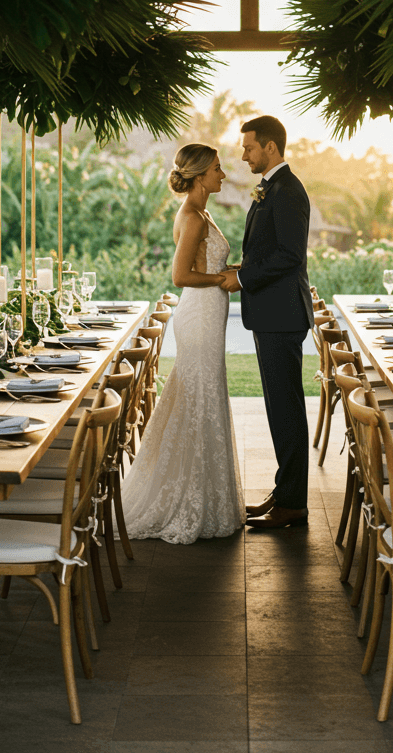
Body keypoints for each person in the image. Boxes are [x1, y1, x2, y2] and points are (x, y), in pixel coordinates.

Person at [118, 143, 244, 544]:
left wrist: (234, 272)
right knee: (199, 396)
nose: (223, 175)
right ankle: (188, 501)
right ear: (202, 174)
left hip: (209, 313)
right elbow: (180, 275)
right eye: (218, 170)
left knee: (203, 395)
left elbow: (208, 265)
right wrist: (224, 280)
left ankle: (207, 497)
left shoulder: (203, 213)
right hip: (200, 315)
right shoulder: (191, 216)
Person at [219, 116, 314, 529]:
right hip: (272, 313)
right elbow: (270, 250)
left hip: (281, 315)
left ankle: (293, 503)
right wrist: (245, 266)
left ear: (271, 148)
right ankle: (285, 491)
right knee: (279, 409)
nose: (243, 155)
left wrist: (242, 277)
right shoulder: (273, 188)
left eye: (249, 148)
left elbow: (290, 256)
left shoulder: (288, 191)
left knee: (287, 410)